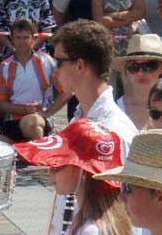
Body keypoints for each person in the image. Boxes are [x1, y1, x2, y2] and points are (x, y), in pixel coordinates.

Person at [53, 20, 138, 160]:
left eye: (59, 62)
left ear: (80, 65)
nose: (55, 70)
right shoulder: (78, 118)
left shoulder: (115, 130)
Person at [0, 18, 69, 142]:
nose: (22, 42)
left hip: (39, 119)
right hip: (13, 121)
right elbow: (0, 103)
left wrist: (48, 113)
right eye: (18, 38)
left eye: (26, 37)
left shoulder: (46, 62)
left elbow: (66, 91)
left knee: (30, 123)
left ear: (33, 38)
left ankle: (40, 155)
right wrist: (24, 110)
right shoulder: (5, 66)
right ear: (12, 39)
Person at [111, 34, 162, 131]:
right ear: (127, 71)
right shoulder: (113, 108)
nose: (140, 73)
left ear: (161, 69)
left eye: (149, 66)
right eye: (134, 67)